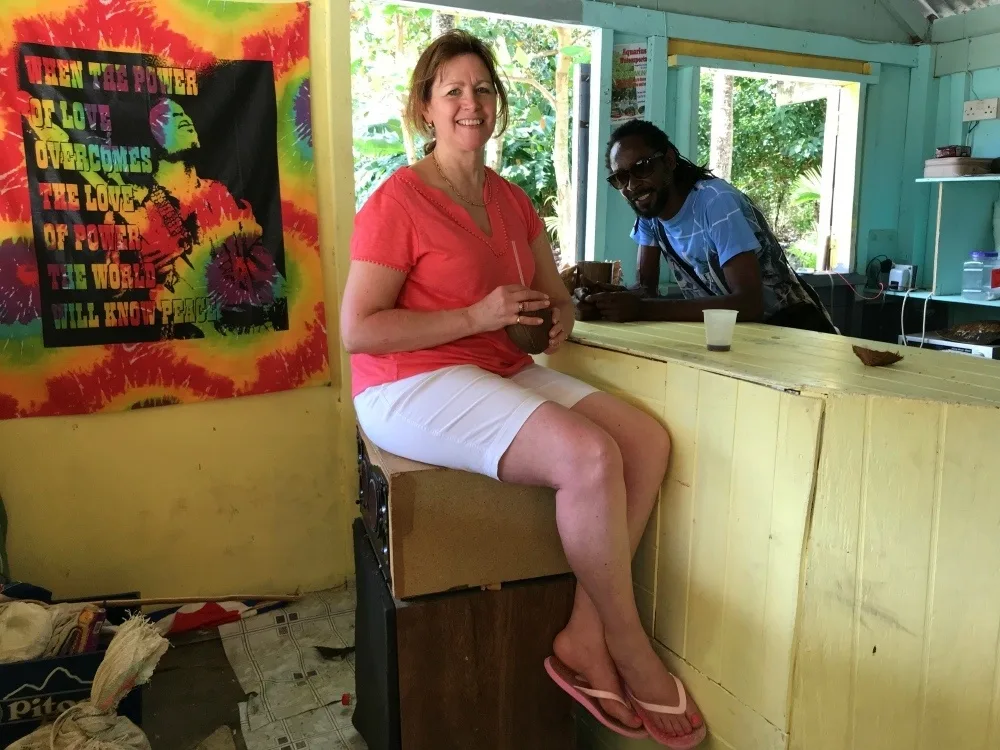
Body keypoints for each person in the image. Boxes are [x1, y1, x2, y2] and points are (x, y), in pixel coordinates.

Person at [341, 30, 706, 747]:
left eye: (481, 89)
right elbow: (360, 330)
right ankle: (628, 647)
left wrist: (558, 317)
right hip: (405, 383)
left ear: (496, 104)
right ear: (425, 109)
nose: (469, 103)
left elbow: (550, 297)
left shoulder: (510, 202)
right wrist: (476, 316)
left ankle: (584, 634)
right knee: (590, 456)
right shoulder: (399, 201)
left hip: (493, 368)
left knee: (645, 441)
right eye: (453, 91)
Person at [583, 119, 836, 334]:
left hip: (793, 334)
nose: (632, 185)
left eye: (642, 167)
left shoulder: (716, 202)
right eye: (621, 177)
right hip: (740, 339)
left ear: (669, 161)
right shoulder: (650, 216)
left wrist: (642, 308)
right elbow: (646, 290)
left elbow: (749, 304)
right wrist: (602, 300)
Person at [128, 98, 284, 337]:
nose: (184, 120)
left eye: (184, 115)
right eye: (169, 117)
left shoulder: (217, 192)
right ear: (153, 141)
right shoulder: (142, 213)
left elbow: (258, 258)